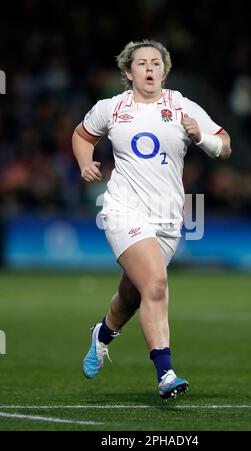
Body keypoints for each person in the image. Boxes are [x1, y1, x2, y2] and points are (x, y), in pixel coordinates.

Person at [72, 39, 232, 400]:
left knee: (132, 294)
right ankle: (165, 373)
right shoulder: (111, 108)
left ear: (164, 70)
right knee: (157, 283)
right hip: (123, 209)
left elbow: (225, 144)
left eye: (156, 63)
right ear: (128, 72)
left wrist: (202, 137)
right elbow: (82, 135)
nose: (149, 69)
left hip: (167, 219)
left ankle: (103, 334)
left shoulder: (182, 106)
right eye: (141, 63)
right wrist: (85, 163)